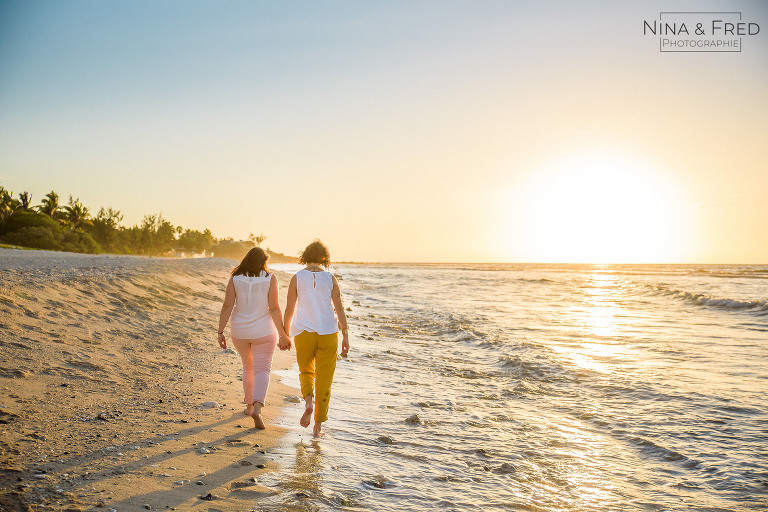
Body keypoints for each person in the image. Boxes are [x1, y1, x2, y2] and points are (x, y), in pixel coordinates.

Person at [217, 247, 291, 429]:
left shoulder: (235, 278)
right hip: (263, 331)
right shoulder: (270, 278)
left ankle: (249, 406)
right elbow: (274, 308)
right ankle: (258, 407)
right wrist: (283, 334)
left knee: (248, 366)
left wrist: (220, 331)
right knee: (262, 369)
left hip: (240, 330)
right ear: (263, 261)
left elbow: (227, 305)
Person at [283, 240, 349, 438]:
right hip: (328, 332)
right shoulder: (330, 278)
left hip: (303, 331)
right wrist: (345, 335)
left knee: (306, 371)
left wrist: (285, 333)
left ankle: (308, 403)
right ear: (324, 258)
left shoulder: (297, 278)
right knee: (325, 380)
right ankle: (318, 426)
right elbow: (339, 308)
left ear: (305, 256)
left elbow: (289, 309)